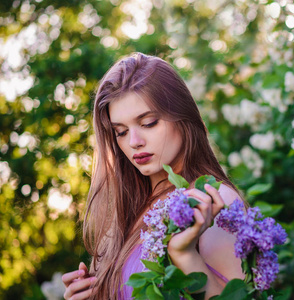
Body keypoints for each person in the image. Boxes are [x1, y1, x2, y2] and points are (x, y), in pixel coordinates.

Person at [62, 53, 245, 299]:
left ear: (183, 116)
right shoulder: (124, 211)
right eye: (121, 132)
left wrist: (185, 255)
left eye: (148, 123)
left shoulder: (212, 200)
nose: (134, 142)